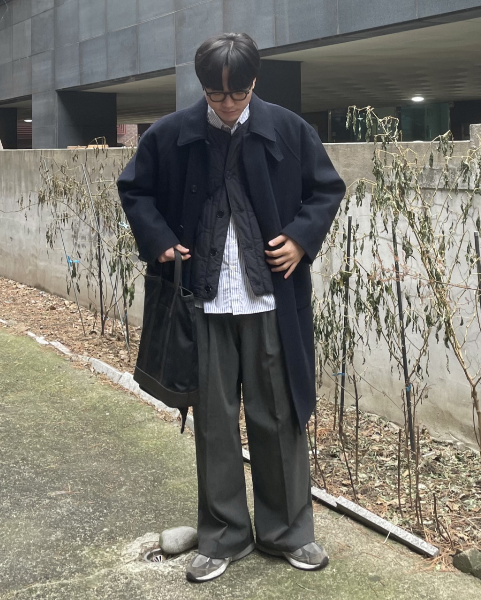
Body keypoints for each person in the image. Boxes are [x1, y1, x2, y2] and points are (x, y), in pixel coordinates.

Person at [117, 32, 346, 583]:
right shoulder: (171, 134)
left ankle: (288, 532)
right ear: (202, 87)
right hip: (203, 301)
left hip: (271, 299)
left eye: (237, 93)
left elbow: (326, 189)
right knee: (215, 423)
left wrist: (301, 238)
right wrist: (159, 241)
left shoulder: (289, 130)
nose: (226, 103)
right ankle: (223, 536)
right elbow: (134, 189)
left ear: (253, 82)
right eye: (215, 94)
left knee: (279, 415)